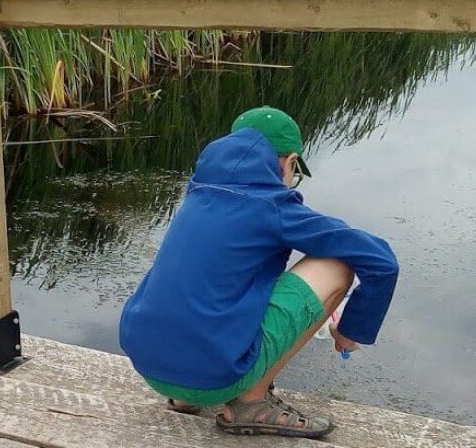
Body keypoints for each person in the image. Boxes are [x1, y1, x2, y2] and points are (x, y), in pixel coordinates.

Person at [119, 106, 398, 438]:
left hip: (149, 365)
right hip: (212, 377)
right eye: (294, 171)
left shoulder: (199, 191)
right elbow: (381, 261)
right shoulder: (273, 206)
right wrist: (351, 328)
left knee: (202, 281)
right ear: (288, 162)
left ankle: (182, 398)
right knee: (336, 265)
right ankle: (251, 402)